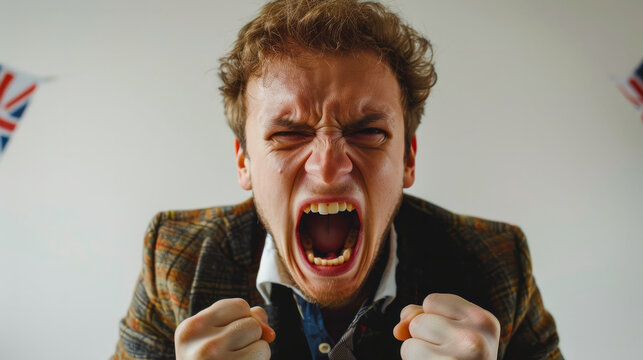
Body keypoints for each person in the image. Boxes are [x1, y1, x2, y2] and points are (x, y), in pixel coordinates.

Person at [113, 0, 562, 359]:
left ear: (407, 157)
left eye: (367, 131)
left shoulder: (498, 263)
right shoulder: (176, 262)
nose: (328, 168)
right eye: (288, 134)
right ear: (244, 161)